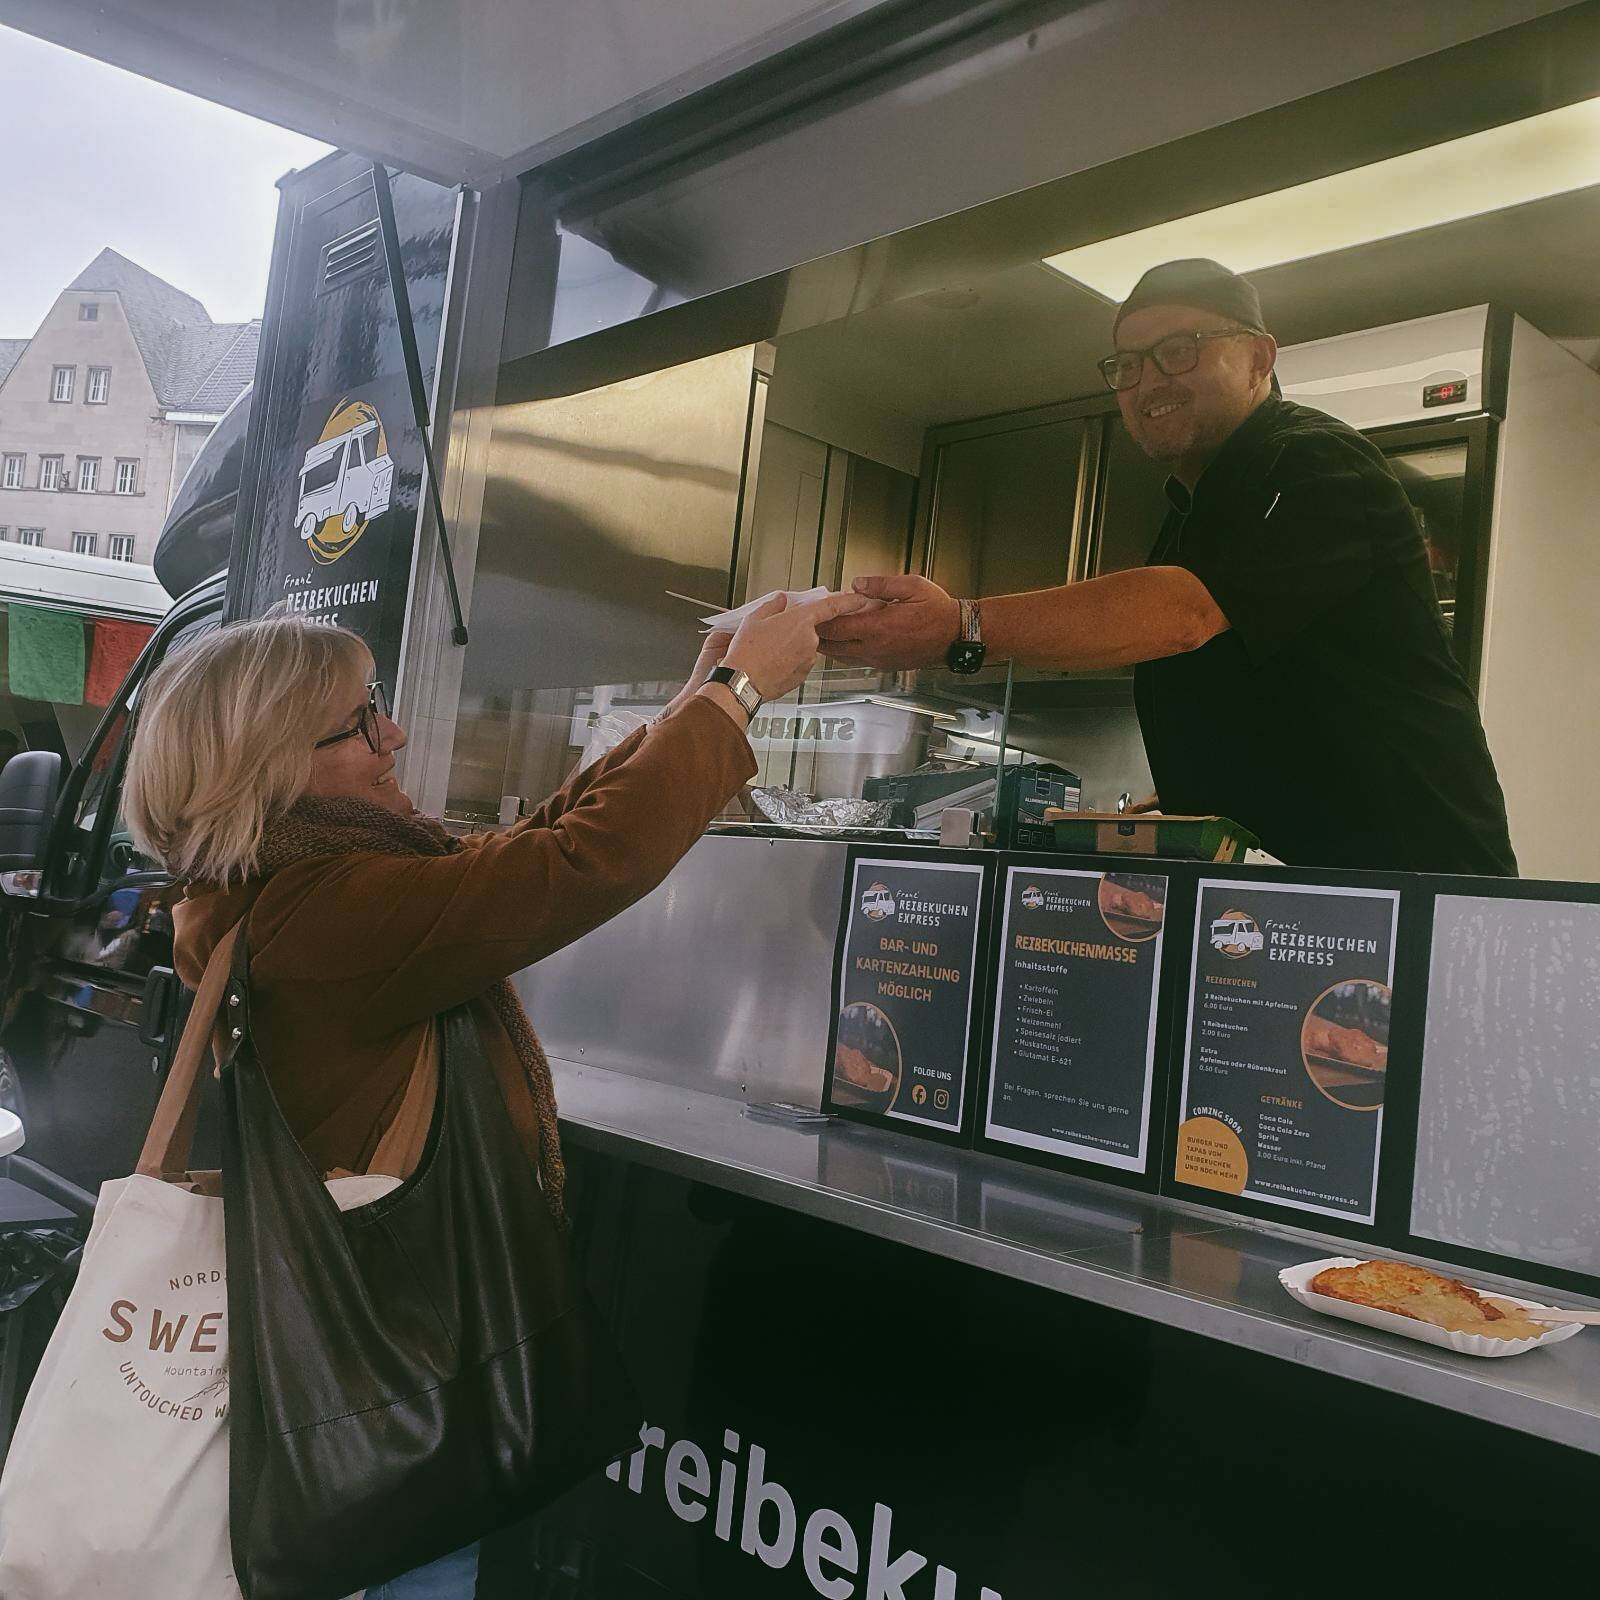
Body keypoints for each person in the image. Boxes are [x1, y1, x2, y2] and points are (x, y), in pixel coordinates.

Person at [121, 589, 865, 1599]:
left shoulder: (282, 888)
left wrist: (697, 700)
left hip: (371, 1369)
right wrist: (739, 693)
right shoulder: (324, 911)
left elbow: (531, 851)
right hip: (398, 1390)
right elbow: (571, 866)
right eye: (361, 719)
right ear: (274, 762)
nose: (396, 733)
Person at [818, 258, 1515, 876]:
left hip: (1415, 883)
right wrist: (1166, 811)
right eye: (1126, 365)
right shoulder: (1192, 511)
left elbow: (1184, 614)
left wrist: (961, 625)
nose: (1147, 381)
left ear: (1259, 358)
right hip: (1300, 893)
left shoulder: (1311, 460)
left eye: (1177, 351)